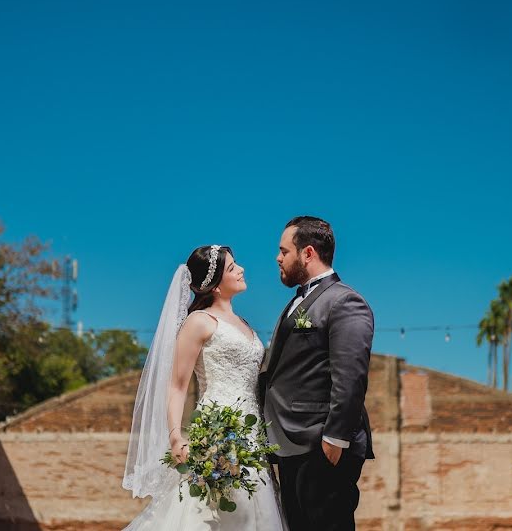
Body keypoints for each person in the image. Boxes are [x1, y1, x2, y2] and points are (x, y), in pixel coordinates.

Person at [122, 245, 284, 530]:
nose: (242, 269)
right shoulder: (198, 322)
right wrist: (175, 436)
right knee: (218, 511)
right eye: (233, 268)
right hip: (217, 432)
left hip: (252, 435)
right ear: (216, 285)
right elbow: (176, 385)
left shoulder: (245, 324)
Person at [260, 216, 375, 531]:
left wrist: (334, 439)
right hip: (291, 443)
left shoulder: (344, 301)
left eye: (284, 251)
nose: (277, 258)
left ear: (307, 253)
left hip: (320, 444)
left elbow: (350, 376)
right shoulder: (296, 303)